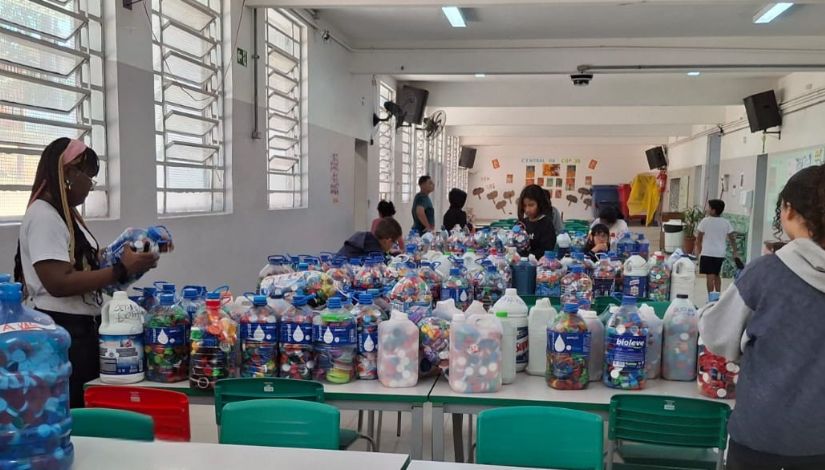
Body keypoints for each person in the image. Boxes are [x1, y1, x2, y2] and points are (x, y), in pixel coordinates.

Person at [15, 137, 159, 408]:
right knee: (74, 409)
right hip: (62, 329)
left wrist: (127, 256)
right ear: (69, 173)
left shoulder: (64, 213)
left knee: (87, 404)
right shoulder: (44, 216)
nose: (91, 187)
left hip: (80, 329)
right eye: (89, 178)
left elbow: (78, 262)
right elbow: (58, 281)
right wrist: (121, 269)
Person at [698, 164, 825, 469]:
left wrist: (705, 312)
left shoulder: (765, 273)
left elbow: (717, 335)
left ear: (788, 210)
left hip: (762, 432)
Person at [695, 199, 742, 296]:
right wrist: (735, 251)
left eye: (709, 207)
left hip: (707, 253)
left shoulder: (705, 221)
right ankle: (718, 297)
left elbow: (698, 238)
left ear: (713, 210)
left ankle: (711, 299)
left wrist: (698, 250)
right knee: (717, 275)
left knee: (710, 277)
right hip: (720, 253)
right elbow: (732, 238)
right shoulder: (726, 222)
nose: (707, 209)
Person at [517, 184, 556, 259]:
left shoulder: (546, 224)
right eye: (524, 206)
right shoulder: (522, 223)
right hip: (521, 263)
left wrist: (527, 256)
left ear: (540, 204)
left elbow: (546, 251)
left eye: (531, 205)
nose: (527, 210)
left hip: (539, 264)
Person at [337, 217, 403, 258]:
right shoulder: (374, 252)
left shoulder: (366, 237)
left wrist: (389, 252)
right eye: (394, 243)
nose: (392, 246)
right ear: (388, 241)